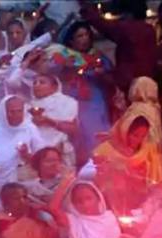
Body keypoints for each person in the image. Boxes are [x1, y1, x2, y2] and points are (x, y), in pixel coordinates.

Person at [50, 22, 114, 164]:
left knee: (97, 136)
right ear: (71, 40)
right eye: (80, 36)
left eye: (86, 35)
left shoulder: (98, 56)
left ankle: (99, 167)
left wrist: (102, 73)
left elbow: (112, 78)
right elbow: (51, 75)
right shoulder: (63, 56)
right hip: (72, 101)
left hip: (95, 102)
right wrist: (66, 67)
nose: (84, 38)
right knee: (77, 137)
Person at [79, 1, 159, 96]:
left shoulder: (127, 28)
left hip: (129, 83)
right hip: (148, 83)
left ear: (128, 13)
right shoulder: (150, 30)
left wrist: (85, 8)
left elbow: (102, 25)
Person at [93, 110, 162, 214]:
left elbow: (155, 179)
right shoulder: (104, 150)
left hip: (141, 201)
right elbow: (97, 178)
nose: (139, 140)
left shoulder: (148, 149)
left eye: (143, 136)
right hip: (112, 202)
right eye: (135, 135)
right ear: (124, 131)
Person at [0, 95, 46, 194]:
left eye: (19, 111)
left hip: (23, 182)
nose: (16, 115)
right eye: (12, 111)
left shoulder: (30, 129)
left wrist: (25, 154)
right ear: (3, 112)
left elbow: (41, 160)